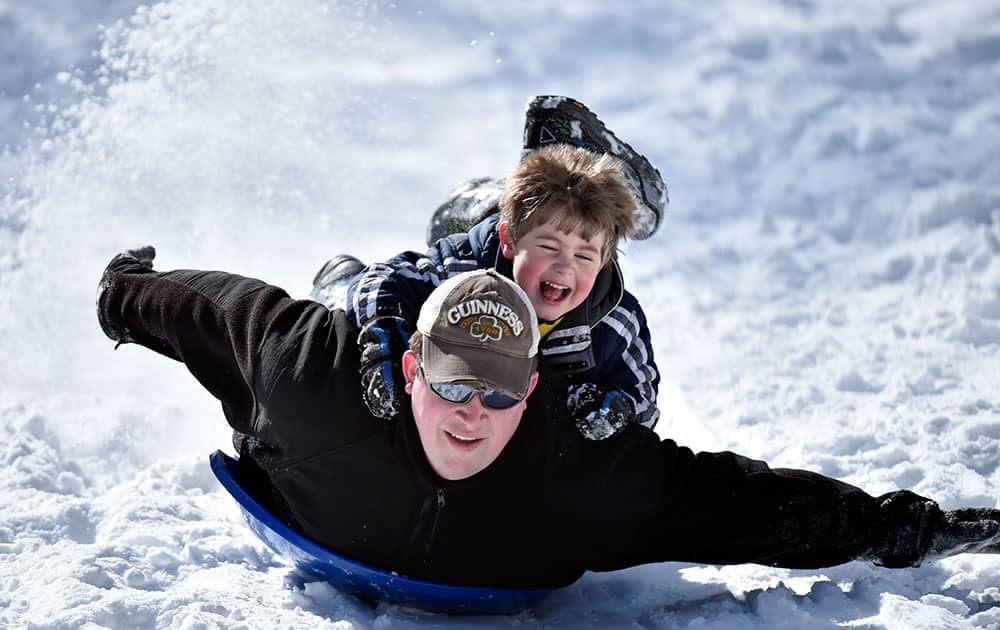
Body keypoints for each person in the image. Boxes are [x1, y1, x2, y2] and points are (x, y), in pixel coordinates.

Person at [97, 248, 1000, 591]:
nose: (471, 413)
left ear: (528, 394)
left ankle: (510, 235)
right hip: (309, 446)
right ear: (412, 369)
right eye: (452, 385)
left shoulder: (576, 473)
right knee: (346, 288)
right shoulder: (317, 377)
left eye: (498, 393)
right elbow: (212, 309)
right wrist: (123, 294)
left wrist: (894, 529)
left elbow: (739, 504)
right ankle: (416, 257)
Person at [319, 96, 667, 440]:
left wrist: (614, 407)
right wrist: (384, 335)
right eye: (550, 249)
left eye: (584, 257)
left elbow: (643, 402)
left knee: (549, 221)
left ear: (605, 261)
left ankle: (568, 171)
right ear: (509, 240)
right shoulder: (464, 270)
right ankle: (487, 198)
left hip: (520, 245)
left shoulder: (614, 322)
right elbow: (383, 280)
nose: (565, 267)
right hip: (492, 234)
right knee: (343, 314)